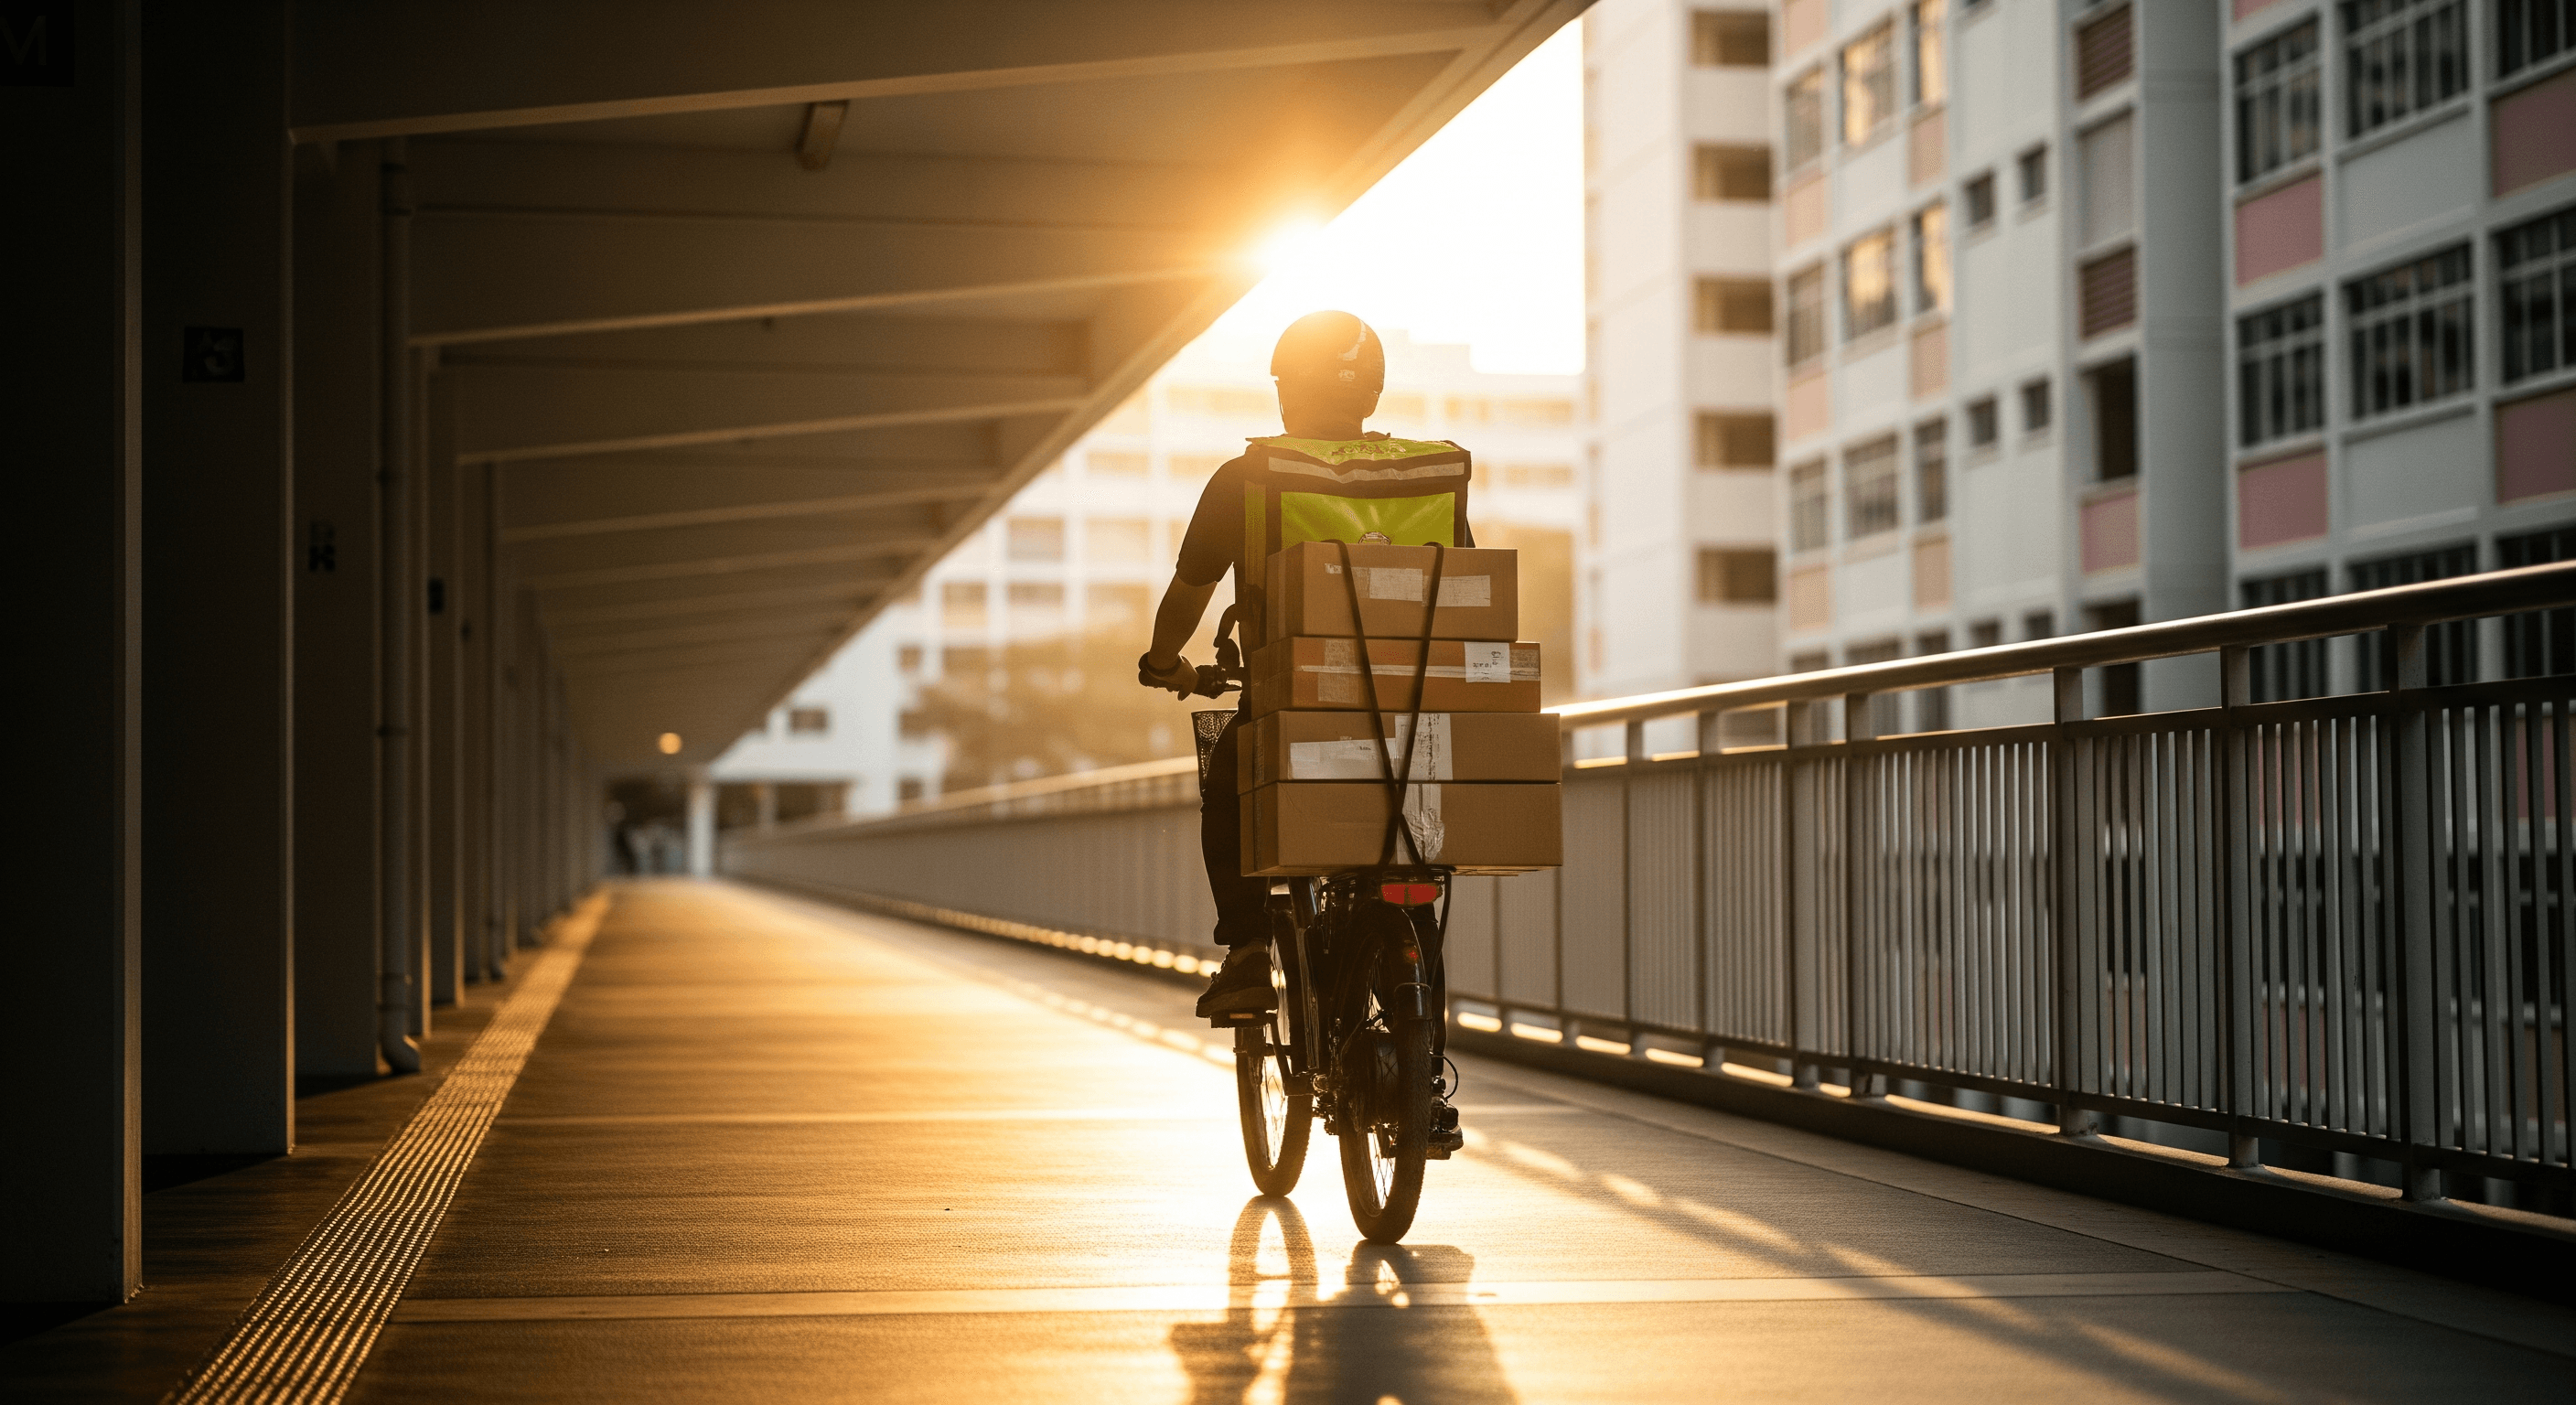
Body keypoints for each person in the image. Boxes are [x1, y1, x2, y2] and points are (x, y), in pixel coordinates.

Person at [1138, 311, 1476, 1021]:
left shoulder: (1249, 477)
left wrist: (1166, 662)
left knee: (1228, 776)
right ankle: (1425, 1072)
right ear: (1373, 396)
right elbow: (1468, 588)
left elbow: (1189, 595)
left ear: (1285, 388)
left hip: (1292, 710)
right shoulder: (1429, 476)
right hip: (1417, 718)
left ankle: (1249, 951)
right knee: (1410, 874)